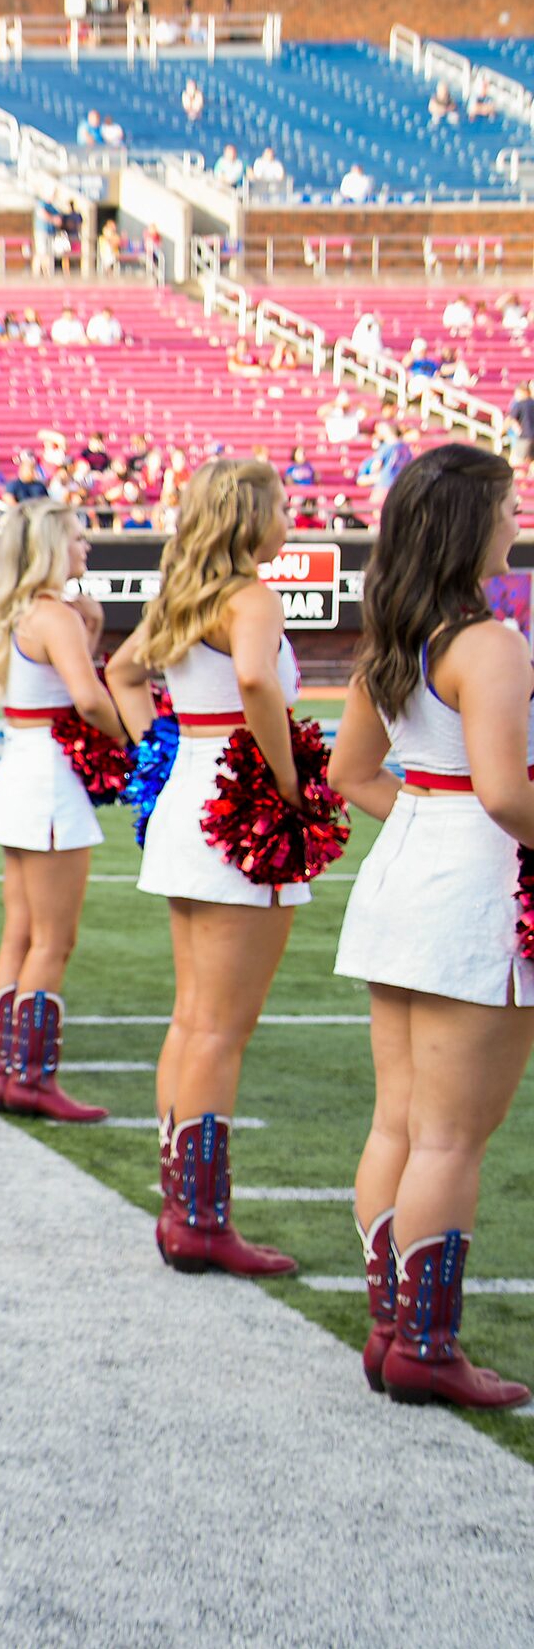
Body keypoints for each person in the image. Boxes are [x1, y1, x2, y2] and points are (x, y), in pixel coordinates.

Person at [330, 444, 534, 1408]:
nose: (513, 524)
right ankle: (426, 1346)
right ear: (466, 524)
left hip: (405, 872)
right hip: (471, 888)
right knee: (452, 1137)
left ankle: (391, 1329)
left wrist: (428, 821)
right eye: (503, 509)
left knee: (400, 1124)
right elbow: (502, 791)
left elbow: (351, 776)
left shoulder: (393, 633)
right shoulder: (489, 644)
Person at [107, 459, 322, 1279]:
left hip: (192, 794)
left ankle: (184, 1212)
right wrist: (289, 780)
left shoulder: (180, 597)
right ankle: (200, 1222)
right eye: (282, 506)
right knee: (221, 1028)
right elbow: (259, 678)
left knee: (193, 1018)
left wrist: (161, 751)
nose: (290, 518)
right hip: (241, 806)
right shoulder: (252, 598)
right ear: (248, 516)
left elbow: (123, 673)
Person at [0, 501, 125, 1117]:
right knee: (53, 940)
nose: (86, 549)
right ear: (51, 547)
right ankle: (32, 1077)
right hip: (49, 780)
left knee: (22, 931)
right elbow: (88, 699)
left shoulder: (23, 611)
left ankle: (11, 1068)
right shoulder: (51, 613)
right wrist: (137, 744)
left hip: (21, 768)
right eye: (78, 540)